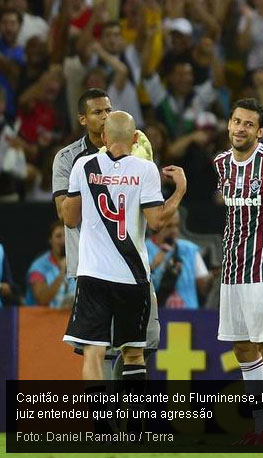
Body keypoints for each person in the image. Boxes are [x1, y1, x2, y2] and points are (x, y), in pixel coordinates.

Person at [61, 111, 186, 432]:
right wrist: (179, 191)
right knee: (134, 354)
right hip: (132, 277)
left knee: (93, 352)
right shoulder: (145, 170)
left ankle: (103, 429)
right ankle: (138, 429)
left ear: (103, 138)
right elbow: (157, 222)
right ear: (134, 139)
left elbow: (70, 218)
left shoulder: (82, 166)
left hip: (92, 275)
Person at [52, 88, 160, 379]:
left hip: (131, 264)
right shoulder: (69, 159)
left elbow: (146, 203)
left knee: (136, 347)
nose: (105, 116)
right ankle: (108, 420)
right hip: (91, 265)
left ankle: (121, 419)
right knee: (102, 349)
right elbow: (68, 217)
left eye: (108, 110)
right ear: (83, 119)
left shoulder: (136, 153)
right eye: (97, 112)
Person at [214, 98, 263, 445]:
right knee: (243, 349)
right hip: (232, 269)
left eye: (248, 124)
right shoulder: (221, 164)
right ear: (228, 125)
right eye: (236, 122)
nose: (240, 129)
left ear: (260, 132)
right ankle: (261, 427)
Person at [146, 210, 212, 309]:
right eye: (169, 226)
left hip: (188, 318)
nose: (174, 231)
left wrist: (212, 277)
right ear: (155, 226)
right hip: (157, 317)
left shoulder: (189, 250)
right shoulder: (143, 250)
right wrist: (153, 266)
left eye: (177, 226)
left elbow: (204, 288)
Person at [26, 221, 76, 308]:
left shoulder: (79, 262)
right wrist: (62, 273)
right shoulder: (38, 267)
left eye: (66, 235)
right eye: (58, 236)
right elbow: (42, 299)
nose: (63, 240)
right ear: (50, 240)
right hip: (41, 320)